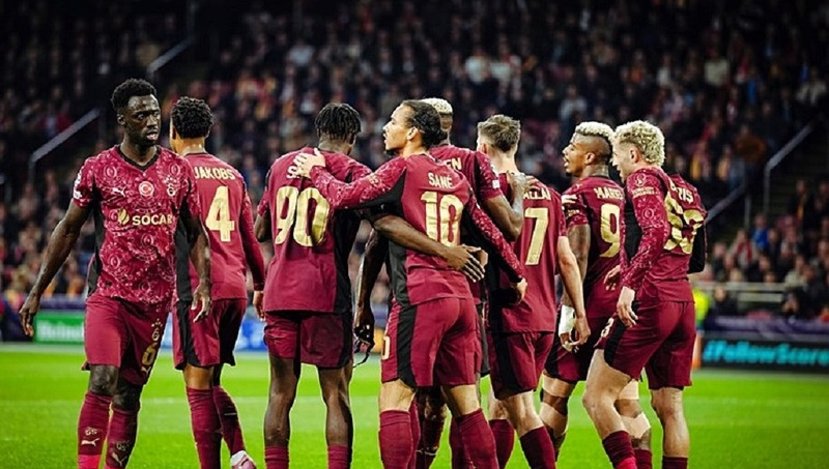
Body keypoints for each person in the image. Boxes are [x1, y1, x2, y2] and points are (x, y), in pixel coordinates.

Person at [294, 100, 527, 469]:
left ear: (413, 132)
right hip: (461, 301)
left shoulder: (399, 169)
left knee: (395, 398)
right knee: (468, 406)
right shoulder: (455, 179)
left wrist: (317, 171)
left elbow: (342, 197)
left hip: (420, 297)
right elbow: (493, 234)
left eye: (394, 121)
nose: (386, 127)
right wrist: (517, 274)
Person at [254, 103, 483, 469]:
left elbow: (260, 230)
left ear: (319, 130)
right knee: (335, 394)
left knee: (279, 393)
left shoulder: (281, 165)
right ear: (352, 137)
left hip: (280, 290)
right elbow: (383, 225)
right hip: (327, 291)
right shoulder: (353, 171)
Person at [18, 78, 211, 469]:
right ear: (122, 119)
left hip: (155, 303)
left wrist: (204, 282)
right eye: (141, 115)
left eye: (155, 113)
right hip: (109, 295)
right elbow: (68, 229)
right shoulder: (98, 168)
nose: (152, 121)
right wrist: (38, 289)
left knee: (128, 397)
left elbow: (196, 233)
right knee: (103, 379)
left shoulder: (178, 171)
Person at [582, 121, 707, 469]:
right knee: (671, 407)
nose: (616, 164)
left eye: (619, 155)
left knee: (597, 397)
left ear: (634, 153)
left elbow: (655, 230)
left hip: (650, 299)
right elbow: (696, 258)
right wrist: (628, 267)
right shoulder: (686, 190)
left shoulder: (642, 179)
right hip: (682, 300)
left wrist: (631, 283)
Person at [412, 97, 528, 469]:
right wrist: (518, 195)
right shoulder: (469, 163)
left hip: (414, 290)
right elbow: (505, 228)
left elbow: (381, 235)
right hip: (467, 293)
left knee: (411, 396)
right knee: (466, 398)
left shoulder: (406, 164)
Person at [477, 115, 588, 469]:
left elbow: (483, 253)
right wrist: (579, 313)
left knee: (523, 410)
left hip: (510, 314)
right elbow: (567, 260)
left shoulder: (489, 191)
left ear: (483, 148)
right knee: (501, 404)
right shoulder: (550, 195)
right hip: (544, 316)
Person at [541, 122, 653, 468]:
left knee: (553, 398)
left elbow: (576, 257)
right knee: (628, 404)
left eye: (573, 147)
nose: (566, 151)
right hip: (621, 308)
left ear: (589, 157)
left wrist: (570, 313)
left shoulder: (575, 196)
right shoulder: (627, 194)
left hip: (586, 307)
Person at [169, 96, 265, 469]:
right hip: (234, 289)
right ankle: (239, 455)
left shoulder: (174, 172)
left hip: (198, 288)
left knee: (197, 389)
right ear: (208, 132)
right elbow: (249, 238)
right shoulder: (232, 175)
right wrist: (260, 285)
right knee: (212, 382)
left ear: (173, 131)